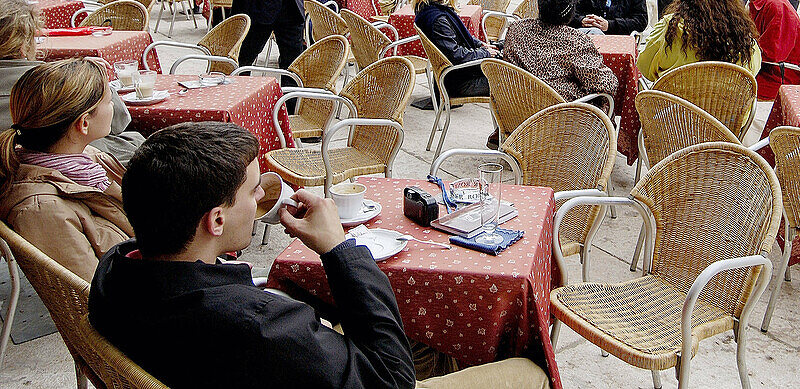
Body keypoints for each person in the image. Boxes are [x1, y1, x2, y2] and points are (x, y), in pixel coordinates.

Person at [89, 122, 549, 389]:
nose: (260, 198)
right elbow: (391, 380)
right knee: (529, 371)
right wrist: (338, 248)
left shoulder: (115, 271)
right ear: (215, 221)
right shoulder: (261, 325)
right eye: (252, 191)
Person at [0, 58, 133, 280]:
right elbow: (89, 295)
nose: (113, 107)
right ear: (84, 123)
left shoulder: (85, 161)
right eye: (110, 101)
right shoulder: (42, 209)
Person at [0, 0, 143, 163]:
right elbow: (119, 122)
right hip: (69, 165)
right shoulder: (50, 80)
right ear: (23, 45)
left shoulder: (47, 76)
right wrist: (90, 77)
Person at [502, 0, 618, 104]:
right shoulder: (575, 41)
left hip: (516, 107)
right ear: (571, 11)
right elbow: (603, 83)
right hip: (561, 115)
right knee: (603, 98)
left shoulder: (516, 28)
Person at [638, 0, 761, 82]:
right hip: (725, 101)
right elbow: (752, 69)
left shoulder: (670, 26)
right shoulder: (739, 30)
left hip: (676, 100)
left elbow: (644, 65)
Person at [412, 0, 497, 125]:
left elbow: (458, 41)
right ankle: (505, 133)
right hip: (458, 82)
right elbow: (457, 56)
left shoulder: (428, 10)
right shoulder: (438, 19)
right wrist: (485, 54)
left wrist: (481, 46)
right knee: (515, 81)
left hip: (455, 75)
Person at [738, 0, 800, 103]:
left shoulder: (777, 8)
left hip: (775, 78)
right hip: (765, 70)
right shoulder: (760, 3)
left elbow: (771, 54)